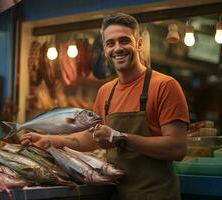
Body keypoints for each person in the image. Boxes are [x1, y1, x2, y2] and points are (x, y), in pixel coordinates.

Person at [20, 12, 189, 200]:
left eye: (124, 41)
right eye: (111, 43)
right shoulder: (106, 92)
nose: (118, 48)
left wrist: (119, 138)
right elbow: (90, 138)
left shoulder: (165, 85)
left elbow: (177, 147)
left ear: (139, 43)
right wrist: (49, 140)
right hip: (117, 194)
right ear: (105, 49)